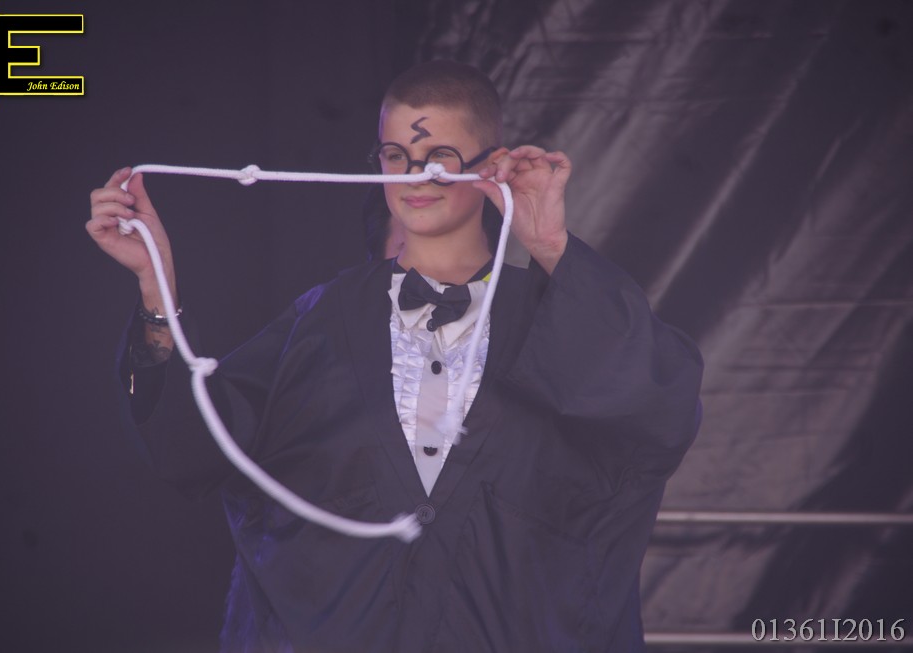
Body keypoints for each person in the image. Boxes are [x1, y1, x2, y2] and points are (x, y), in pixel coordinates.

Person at [87, 60, 703, 653]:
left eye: (438, 156)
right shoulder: (320, 321)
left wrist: (548, 244)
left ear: (491, 165)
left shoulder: (560, 315)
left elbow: (661, 408)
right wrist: (155, 286)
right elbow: (192, 448)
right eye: (395, 156)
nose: (414, 177)